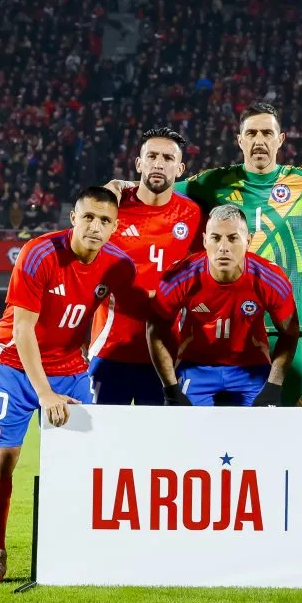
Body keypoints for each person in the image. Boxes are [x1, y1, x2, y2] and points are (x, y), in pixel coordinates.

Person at [108, 102, 302, 406]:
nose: (259, 141)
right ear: (240, 139)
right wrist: (120, 186)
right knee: (214, 433)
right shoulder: (213, 181)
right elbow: (157, 188)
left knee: (290, 427)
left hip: (287, 327)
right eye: (251, 133)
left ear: (280, 139)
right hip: (226, 327)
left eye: (267, 133)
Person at [0, 187, 138, 583]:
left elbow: (130, 315)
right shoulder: (38, 254)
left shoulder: (118, 264)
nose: (96, 227)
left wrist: (90, 357)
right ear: (73, 218)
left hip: (71, 368)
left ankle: (75, 550)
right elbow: (23, 329)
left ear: (116, 227)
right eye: (88, 217)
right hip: (14, 365)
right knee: (4, 458)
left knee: (82, 463)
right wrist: (45, 392)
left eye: (105, 221)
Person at [89, 127, 203, 405]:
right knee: (100, 444)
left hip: (165, 359)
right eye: (151, 156)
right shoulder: (112, 208)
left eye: (167, 158)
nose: (158, 163)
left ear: (180, 169)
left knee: (157, 448)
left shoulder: (193, 215)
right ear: (139, 163)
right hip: (109, 352)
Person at [148, 205, 299, 406]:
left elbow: (290, 333)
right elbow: (154, 331)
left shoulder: (271, 279)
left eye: (233, 238)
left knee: (263, 433)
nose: (223, 247)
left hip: (251, 369)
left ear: (249, 241)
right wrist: (171, 389)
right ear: (204, 240)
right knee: (184, 433)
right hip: (195, 367)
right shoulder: (179, 276)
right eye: (216, 238)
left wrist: (273, 386)